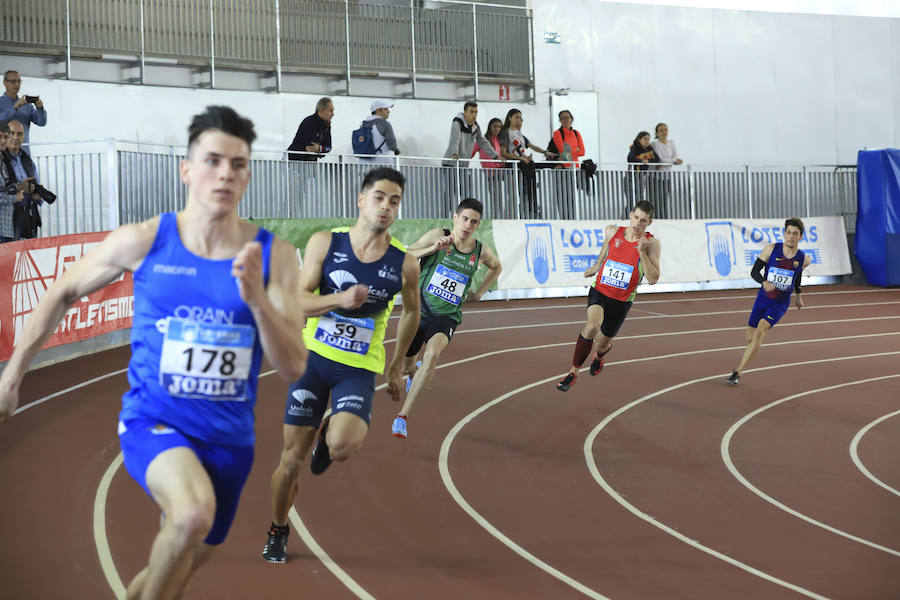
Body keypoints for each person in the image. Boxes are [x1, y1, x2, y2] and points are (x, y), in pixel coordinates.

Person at [0, 105, 309, 599]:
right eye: (212, 160)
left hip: (230, 443)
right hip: (154, 420)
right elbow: (60, 291)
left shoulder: (274, 257)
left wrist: (257, 301)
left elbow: (294, 366)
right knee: (189, 515)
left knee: (181, 565)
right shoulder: (145, 239)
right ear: (187, 170)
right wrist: (12, 377)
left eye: (238, 164)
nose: (225, 173)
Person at [263, 167, 420, 564]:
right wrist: (339, 300)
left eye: (395, 200)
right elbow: (295, 300)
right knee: (289, 462)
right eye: (380, 197)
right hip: (313, 361)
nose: (386, 206)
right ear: (361, 200)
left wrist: (398, 364)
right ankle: (278, 528)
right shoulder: (325, 243)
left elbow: (413, 313)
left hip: (357, 368)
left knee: (343, 446)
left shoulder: (404, 264)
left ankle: (328, 432)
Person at [390, 197, 502, 439]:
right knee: (408, 366)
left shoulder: (480, 251)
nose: (468, 225)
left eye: (474, 222)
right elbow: (406, 253)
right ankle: (413, 372)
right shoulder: (437, 235)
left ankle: (402, 417)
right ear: (455, 217)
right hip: (418, 311)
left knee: (432, 355)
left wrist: (481, 292)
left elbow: (497, 267)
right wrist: (433, 249)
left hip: (446, 316)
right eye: (464, 219)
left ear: (478, 225)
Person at [556, 200, 661, 392]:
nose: (638, 223)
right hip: (600, 291)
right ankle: (573, 372)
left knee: (602, 344)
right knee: (592, 326)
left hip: (621, 301)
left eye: (643, 221)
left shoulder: (651, 244)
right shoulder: (613, 231)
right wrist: (596, 266)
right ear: (630, 215)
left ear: (649, 223)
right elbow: (605, 249)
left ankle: (600, 356)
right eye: (636, 217)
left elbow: (653, 278)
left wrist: (642, 252)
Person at [726, 218, 810, 386]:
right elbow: (754, 271)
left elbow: (797, 276)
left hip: (780, 303)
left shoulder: (804, 259)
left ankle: (737, 372)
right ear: (784, 233)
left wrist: (798, 295)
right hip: (762, 299)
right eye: (788, 232)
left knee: (761, 331)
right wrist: (764, 282)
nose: (791, 237)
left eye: (795, 234)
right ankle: (749, 354)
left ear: (801, 236)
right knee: (750, 337)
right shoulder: (771, 249)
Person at [498, 108, 556, 218]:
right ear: (510, 118)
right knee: (516, 192)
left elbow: (532, 146)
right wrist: (520, 158)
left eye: (520, 118)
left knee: (528, 189)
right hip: (515, 166)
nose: (519, 120)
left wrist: (545, 152)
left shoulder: (520, 135)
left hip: (524, 164)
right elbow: (504, 153)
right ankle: (518, 214)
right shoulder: (505, 133)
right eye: (516, 117)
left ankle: (531, 210)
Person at [2, 119, 44, 239]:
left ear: (24, 136)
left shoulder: (27, 160)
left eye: (19, 134)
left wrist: (38, 196)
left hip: (29, 215)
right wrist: (21, 187)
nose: (16, 137)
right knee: (10, 255)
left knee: (31, 253)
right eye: (12, 133)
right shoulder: (2, 160)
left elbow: (36, 184)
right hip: (9, 218)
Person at [0, 71, 47, 148]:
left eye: (19, 81)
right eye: (13, 81)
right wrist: (14, 108)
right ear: (5, 83)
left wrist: (40, 108)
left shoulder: (26, 105)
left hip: (23, 152)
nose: (17, 84)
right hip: (4, 153)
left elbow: (41, 122)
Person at [649, 122, 683, 219]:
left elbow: (675, 156)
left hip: (666, 176)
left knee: (664, 200)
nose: (664, 132)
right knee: (655, 199)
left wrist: (673, 160)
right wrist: (673, 161)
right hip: (655, 177)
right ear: (657, 133)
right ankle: (655, 219)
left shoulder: (671, 143)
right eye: (661, 130)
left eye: (665, 130)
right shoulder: (654, 144)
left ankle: (664, 219)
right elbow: (660, 159)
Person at [286, 97, 333, 161]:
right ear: (322, 111)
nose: (333, 114)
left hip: (310, 163)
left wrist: (319, 148)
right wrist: (321, 149)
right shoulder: (309, 122)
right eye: (331, 111)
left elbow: (329, 147)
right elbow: (310, 147)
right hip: (294, 161)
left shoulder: (326, 126)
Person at [624, 131, 658, 212]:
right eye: (645, 139)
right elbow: (630, 158)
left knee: (639, 199)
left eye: (648, 139)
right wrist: (641, 160)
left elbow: (656, 159)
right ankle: (625, 218)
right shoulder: (635, 148)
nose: (647, 141)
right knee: (631, 200)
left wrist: (646, 158)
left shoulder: (649, 148)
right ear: (639, 140)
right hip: (631, 177)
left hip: (641, 176)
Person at [0, 120, 16, 242]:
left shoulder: (5, 160)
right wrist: (14, 198)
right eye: (0, 136)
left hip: (7, 226)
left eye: (6, 137)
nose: (3, 140)